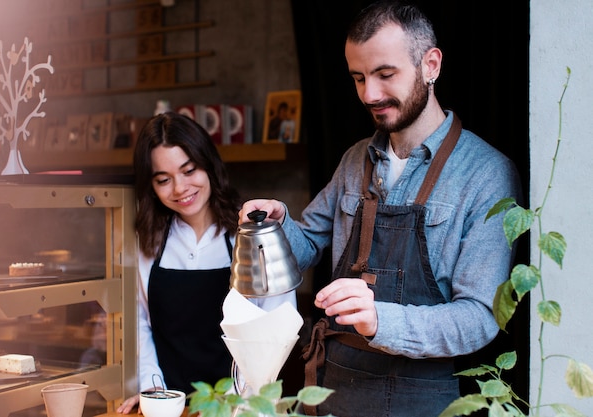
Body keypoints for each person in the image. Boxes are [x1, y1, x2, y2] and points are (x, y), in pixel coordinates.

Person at [238, 2, 522, 416]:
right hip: (332, 389)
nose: (369, 94)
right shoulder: (355, 160)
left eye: (385, 74)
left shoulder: (487, 173)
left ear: (431, 65)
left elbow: (480, 318)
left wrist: (381, 321)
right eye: (358, 78)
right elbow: (304, 249)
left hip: (425, 399)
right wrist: (276, 224)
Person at [117, 112, 295, 414]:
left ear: (208, 165)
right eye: (163, 179)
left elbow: (277, 327)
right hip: (171, 407)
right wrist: (153, 390)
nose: (179, 188)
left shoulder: (251, 233)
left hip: (239, 406)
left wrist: (246, 403)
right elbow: (139, 325)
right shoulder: (145, 241)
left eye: (189, 171)